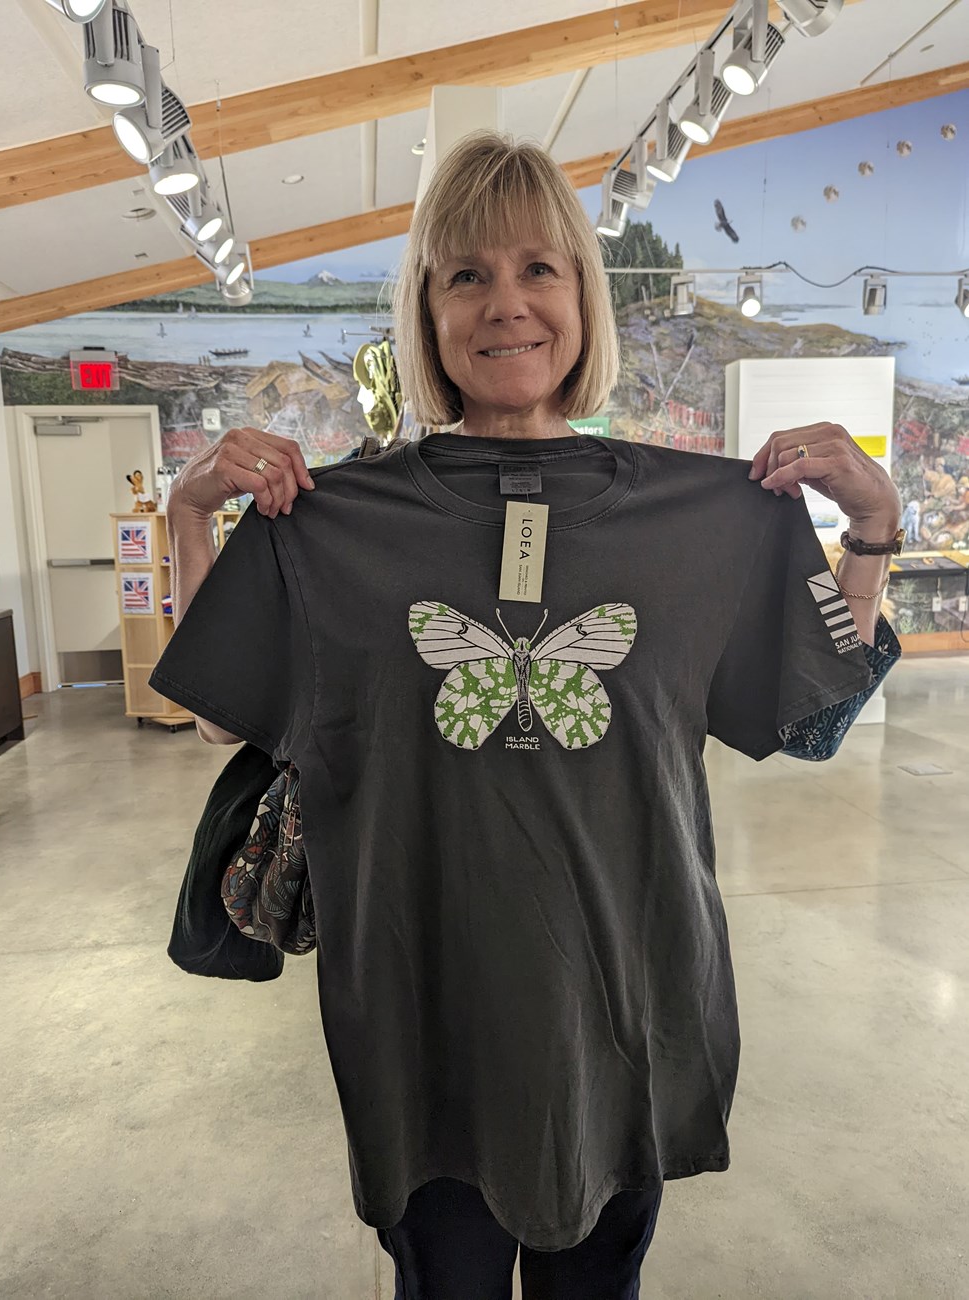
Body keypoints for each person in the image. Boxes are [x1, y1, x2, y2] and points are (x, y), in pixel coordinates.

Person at [151, 133, 902, 1299]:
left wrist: (869, 537)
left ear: (584, 298)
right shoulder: (330, 520)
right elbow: (217, 718)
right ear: (427, 308)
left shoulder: (703, 520)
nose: (506, 304)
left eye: (539, 269)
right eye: (466, 274)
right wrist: (192, 524)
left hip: (625, 1006)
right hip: (424, 1019)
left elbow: (812, 723)